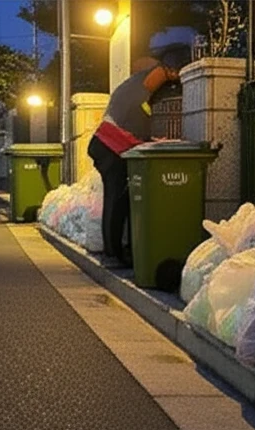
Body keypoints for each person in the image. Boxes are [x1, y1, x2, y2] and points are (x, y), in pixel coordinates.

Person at [88, 45, 191, 266]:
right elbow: (132, 128)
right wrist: (151, 142)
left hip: (111, 147)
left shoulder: (140, 85)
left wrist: (150, 141)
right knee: (115, 200)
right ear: (168, 69)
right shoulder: (144, 86)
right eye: (174, 73)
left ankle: (120, 251)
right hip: (108, 148)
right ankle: (112, 255)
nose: (174, 78)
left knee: (122, 201)